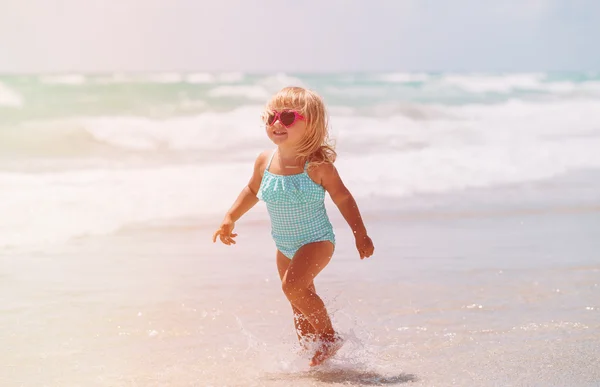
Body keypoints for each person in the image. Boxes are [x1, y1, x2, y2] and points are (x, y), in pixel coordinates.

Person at [212, 86, 375, 367]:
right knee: (298, 302)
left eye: (288, 118)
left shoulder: (317, 165)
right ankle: (311, 355)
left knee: (293, 287)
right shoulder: (265, 160)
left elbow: (343, 198)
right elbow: (252, 190)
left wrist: (360, 235)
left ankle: (328, 337)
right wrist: (230, 217)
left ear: (311, 124)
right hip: (284, 244)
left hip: (316, 240)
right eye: (271, 116)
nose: (277, 123)